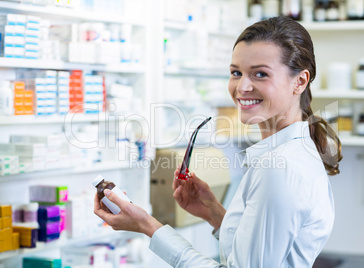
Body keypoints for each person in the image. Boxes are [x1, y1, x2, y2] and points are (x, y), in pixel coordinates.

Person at [94, 16, 342, 267]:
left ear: (299, 81)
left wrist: (148, 226)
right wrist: (213, 212)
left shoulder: (280, 168)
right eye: (236, 72)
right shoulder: (290, 153)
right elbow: (258, 252)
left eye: (260, 74)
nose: (242, 86)